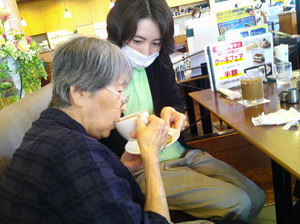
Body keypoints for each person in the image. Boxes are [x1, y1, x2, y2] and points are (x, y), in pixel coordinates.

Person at [102, 0, 266, 223]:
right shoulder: (99, 74)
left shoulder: (159, 61)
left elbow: (173, 100)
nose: (146, 52)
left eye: (156, 43)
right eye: (138, 41)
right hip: (142, 168)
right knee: (239, 202)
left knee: (257, 196)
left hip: (181, 153)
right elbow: (92, 136)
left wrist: (173, 111)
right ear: (117, 32)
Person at [0, 37, 171, 223]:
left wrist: (117, 169)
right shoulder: (73, 151)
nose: (123, 107)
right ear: (80, 92)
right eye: (120, 92)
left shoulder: (44, 131)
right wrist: (151, 157)